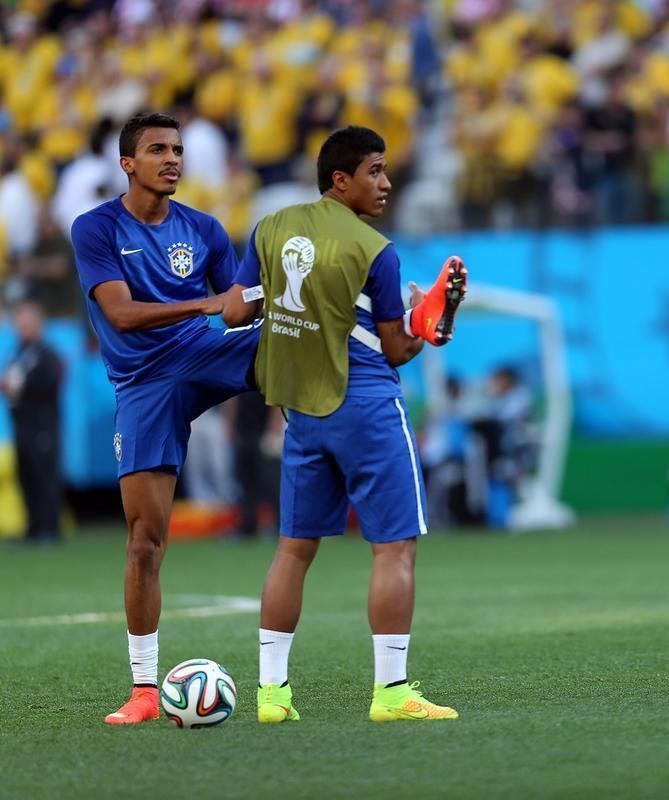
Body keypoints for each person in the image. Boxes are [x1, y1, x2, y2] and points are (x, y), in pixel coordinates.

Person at [222, 125, 467, 723]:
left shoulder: (270, 229)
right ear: (341, 179)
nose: (386, 183)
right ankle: (392, 694)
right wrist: (428, 321)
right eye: (375, 171)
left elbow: (234, 311)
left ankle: (272, 697)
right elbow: (394, 350)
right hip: (365, 407)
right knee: (394, 548)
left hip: (301, 413)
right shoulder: (374, 249)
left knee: (293, 550)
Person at [71, 111, 261, 724]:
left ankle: (404, 324)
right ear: (128, 163)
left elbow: (238, 312)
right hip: (145, 382)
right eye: (157, 149)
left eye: (177, 149)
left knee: (292, 332)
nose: (172, 158)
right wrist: (212, 302)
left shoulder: (205, 228)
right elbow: (122, 315)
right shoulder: (94, 229)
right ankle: (145, 693)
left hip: (199, 354)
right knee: (146, 542)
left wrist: (249, 308)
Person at [3, 298, 63, 543]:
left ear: (38, 323)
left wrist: (20, 386)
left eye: (26, 321)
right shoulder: (18, 353)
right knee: (26, 476)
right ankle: (33, 527)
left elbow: (48, 384)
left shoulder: (47, 354)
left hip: (42, 426)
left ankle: (49, 528)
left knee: (44, 476)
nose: (21, 326)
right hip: (22, 424)